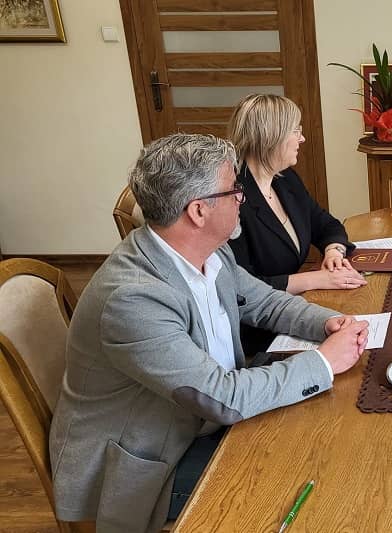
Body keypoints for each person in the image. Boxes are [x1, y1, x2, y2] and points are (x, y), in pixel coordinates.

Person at [49, 133, 370, 533]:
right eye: (234, 190)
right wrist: (323, 361)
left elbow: (264, 302)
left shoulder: (209, 250)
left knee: (321, 443)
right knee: (303, 476)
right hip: (149, 466)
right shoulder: (133, 299)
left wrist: (328, 323)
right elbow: (223, 399)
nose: (242, 198)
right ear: (199, 211)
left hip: (197, 421)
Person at [227, 94, 367, 356]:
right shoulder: (233, 199)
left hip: (298, 308)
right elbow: (242, 288)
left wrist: (334, 251)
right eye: (295, 131)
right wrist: (317, 278)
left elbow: (326, 223)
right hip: (261, 331)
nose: (302, 138)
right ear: (272, 136)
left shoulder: (285, 179)